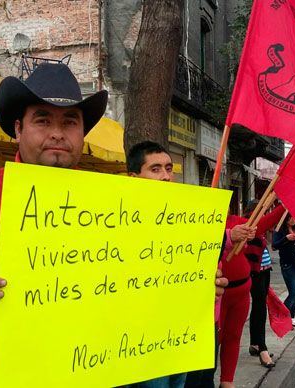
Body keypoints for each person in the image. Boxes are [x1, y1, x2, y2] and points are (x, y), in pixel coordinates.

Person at [0, 65, 227, 387]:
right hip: (11, 378)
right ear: (18, 129)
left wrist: (192, 287)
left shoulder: (116, 204)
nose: (57, 133)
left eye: (70, 122)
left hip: (96, 372)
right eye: (42, 120)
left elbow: (137, 281)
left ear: (82, 133)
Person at [124, 140, 185, 388]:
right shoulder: (115, 220)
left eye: (169, 169)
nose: (166, 177)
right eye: (156, 169)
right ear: (133, 177)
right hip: (139, 343)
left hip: (178, 335)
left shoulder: (184, 220)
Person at [218, 204, 284, 388]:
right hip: (218, 296)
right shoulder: (203, 226)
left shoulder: (237, 222)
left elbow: (261, 224)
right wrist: (228, 236)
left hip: (241, 292)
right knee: (215, 342)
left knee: (233, 338)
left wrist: (284, 205)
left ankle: (227, 383)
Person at [243, 201, 276, 368]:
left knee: (259, 307)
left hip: (264, 270)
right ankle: (262, 348)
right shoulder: (250, 226)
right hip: (255, 272)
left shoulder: (257, 226)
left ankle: (255, 344)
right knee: (259, 309)